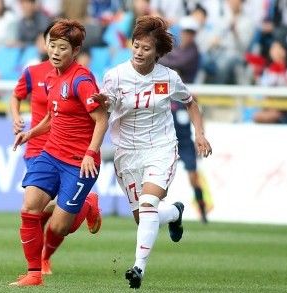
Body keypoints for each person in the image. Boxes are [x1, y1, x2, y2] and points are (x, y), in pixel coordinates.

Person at [92, 15, 212, 289]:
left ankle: (138, 269)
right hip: (126, 152)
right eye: (136, 46)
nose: (139, 52)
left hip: (161, 147)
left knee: (147, 206)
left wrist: (200, 134)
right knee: (144, 217)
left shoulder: (169, 78)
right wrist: (103, 104)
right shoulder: (115, 76)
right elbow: (104, 111)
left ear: (157, 53)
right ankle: (174, 214)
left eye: (146, 49)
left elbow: (191, 103)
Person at [10, 19, 109, 286]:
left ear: (75, 51)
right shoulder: (51, 76)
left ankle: (88, 204)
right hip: (51, 154)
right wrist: (31, 133)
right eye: (52, 45)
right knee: (29, 208)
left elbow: (102, 119)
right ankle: (33, 274)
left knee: (58, 227)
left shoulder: (81, 79)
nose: (55, 51)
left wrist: (91, 152)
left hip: (79, 163)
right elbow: (56, 116)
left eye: (62, 47)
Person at [159, 16, 209, 223]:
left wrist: (200, 135)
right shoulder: (163, 96)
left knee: (193, 177)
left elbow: (170, 60)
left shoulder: (193, 54)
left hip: (185, 142)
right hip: (167, 142)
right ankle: (161, 212)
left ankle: (204, 212)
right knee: (161, 183)